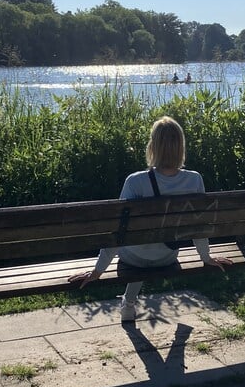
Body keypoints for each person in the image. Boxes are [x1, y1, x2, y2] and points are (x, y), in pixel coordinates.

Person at [68, 116, 233, 321]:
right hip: (167, 257)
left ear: (152, 146)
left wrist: (97, 271)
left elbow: (117, 234)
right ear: (181, 146)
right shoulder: (194, 179)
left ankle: (128, 304)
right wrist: (206, 258)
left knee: (136, 245)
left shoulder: (136, 181)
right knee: (148, 245)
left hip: (134, 259)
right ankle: (128, 303)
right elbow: (198, 227)